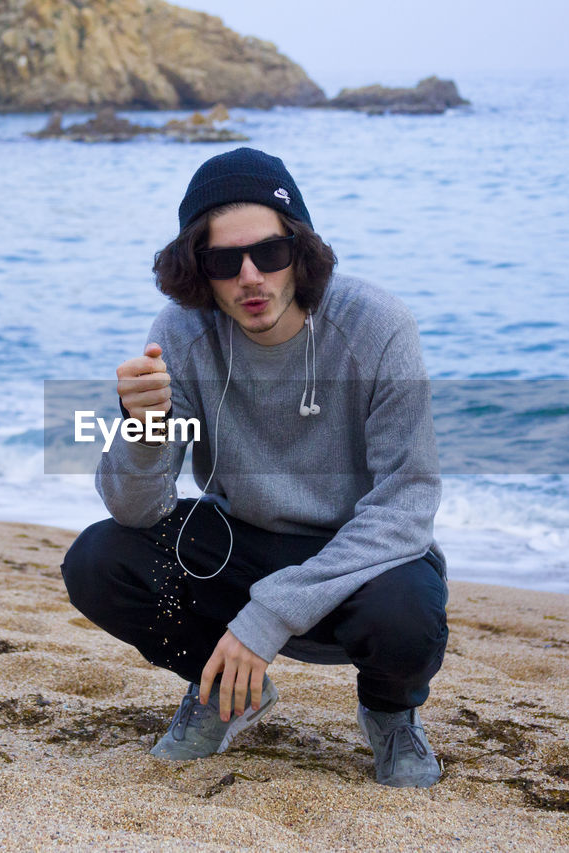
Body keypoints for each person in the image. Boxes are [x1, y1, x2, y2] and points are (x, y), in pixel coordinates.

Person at [61, 148, 447, 788]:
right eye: (223, 261)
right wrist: (142, 424)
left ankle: (390, 717)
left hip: (356, 557)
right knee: (100, 560)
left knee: (408, 609)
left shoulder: (377, 326)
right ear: (197, 269)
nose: (251, 277)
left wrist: (266, 618)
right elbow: (136, 510)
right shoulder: (183, 333)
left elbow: (406, 507)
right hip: (240, 542)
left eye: (269, 253)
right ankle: (224, 690)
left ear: (300, 249)